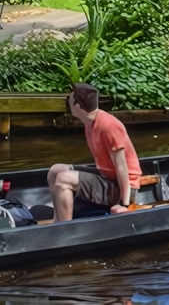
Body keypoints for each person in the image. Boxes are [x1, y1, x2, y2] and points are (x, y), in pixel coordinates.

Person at [47, 83, 141, 221]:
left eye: (70, 99)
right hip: (107, 177)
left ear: (78, 106)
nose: (68, 101)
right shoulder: (89, 122)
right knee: (55, 171)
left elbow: (122, 167)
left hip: (124, 188)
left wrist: (124, 204)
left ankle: (65, 229)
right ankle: (57, 220)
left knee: (63, 179)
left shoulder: (108, 126)